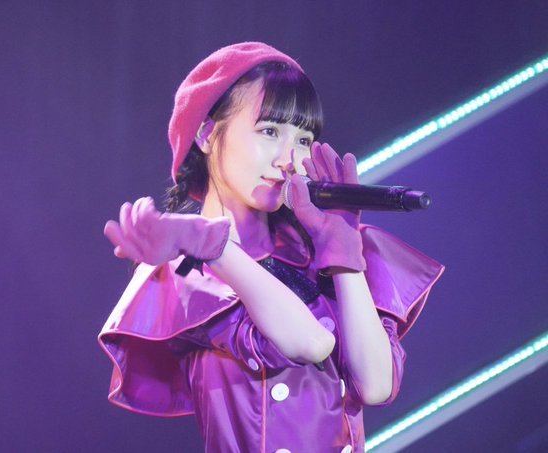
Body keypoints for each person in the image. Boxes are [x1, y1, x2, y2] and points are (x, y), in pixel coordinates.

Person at [100, 42, 444, 453]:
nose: (288, 159)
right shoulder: (182, 267)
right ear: (207, 134)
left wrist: (343, 251)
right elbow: (310, 342)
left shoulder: (323, 251)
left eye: (303, 139)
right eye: (269, 132)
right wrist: (214, 246)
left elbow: (375, 384)